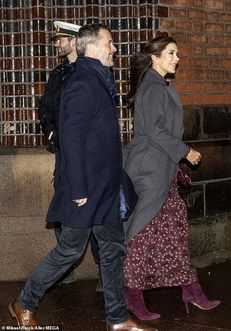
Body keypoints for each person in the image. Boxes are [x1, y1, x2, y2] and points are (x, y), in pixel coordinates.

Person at [8, 23, 158, 331]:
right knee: (70, 251)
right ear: (91, 47)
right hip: (86, 189)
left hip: (105, 187)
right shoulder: (81, 83)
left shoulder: (97, 79)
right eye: (110, 43)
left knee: (113, 248)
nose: (114, 48)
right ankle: (24, 302)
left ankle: (117, 319)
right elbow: (72, 139)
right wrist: (77, 188)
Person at [122, 36, 221, 320]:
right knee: (140, 234)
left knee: (173, 234)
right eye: (171, 52)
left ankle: (191, 289)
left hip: (161, 171)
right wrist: (185, 151)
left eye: (177, 52)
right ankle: (131, 294)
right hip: (149, 172)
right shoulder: (152, 87)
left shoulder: (160, 85)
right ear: (154, 57)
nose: (177, 58)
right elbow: (154, 132)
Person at [38, 20, 101, 285]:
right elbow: (46, 109)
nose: (56, 44)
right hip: (65, 155)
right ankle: (65, 266)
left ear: (75, 41)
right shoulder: (59, 74)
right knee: (65, 206)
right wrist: (53, 136)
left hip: (90, 156)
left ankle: (103, 269)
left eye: (60, 39)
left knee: (98, 210)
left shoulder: (89, 72)